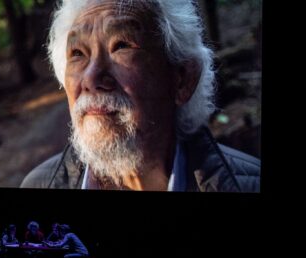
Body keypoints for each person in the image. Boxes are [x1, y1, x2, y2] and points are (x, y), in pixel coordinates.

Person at [20, 0, 260, 192]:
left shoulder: (250, 184)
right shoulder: (37, 184)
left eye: (121, 45)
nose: (91, 79)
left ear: (182, 79)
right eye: (77, 53)